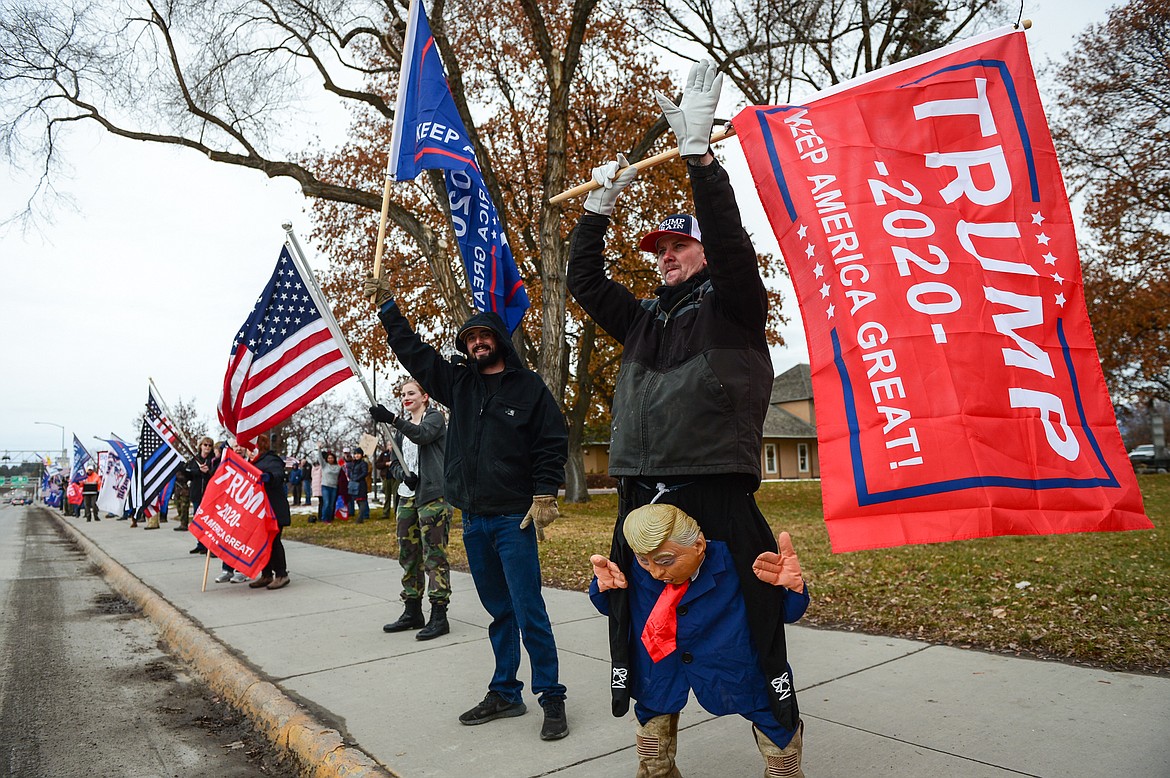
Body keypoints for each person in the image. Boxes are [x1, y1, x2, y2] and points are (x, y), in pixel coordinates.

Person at [566, 60, 801, 733]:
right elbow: (585, 281)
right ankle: (655, 745)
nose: (666, 256)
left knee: (755, 619)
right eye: (659, 249)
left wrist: (700, 160)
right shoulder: (642, 319)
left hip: (716, 488)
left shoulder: (733, 304)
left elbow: (731, 246)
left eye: (678, 246)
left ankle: (779, 740)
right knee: (636, 619)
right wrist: (595, 212)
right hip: (641, 489)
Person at [363, 274, 570, 742]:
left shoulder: (529, 388)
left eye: (484, 336)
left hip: (513, 519)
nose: (477, 343)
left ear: (499, 340)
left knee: (528, 608)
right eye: (470, 338)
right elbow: (415, 354)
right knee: (499, 611)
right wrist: (389, 311)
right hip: (473, 520)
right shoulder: (458, 383)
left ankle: (552, 697)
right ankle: (505, 692)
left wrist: (544, 491)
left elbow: (552, 442)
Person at [589, 504, 809, 777]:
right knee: (652, 748)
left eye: (666, 560)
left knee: (779, 736)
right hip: (660, 668)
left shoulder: (737, 563)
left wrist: (793, 588)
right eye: (645, 561)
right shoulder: (637, 568)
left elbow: (781, 613)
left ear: (699, 545)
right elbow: (619, 611)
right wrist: (603, 589)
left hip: (735, 664)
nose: (655, 572)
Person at [371, 379, 453, 640]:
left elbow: (423, 435)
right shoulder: (399, 430)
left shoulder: (435, 418)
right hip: (407, 498)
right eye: (403, 394)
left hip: (432, 496)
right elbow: (395, 462)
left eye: (411, 393)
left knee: (434, 556)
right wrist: (402, 475)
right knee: (408, 555)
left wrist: (393, 418)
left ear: (424, 396)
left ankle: (439, 615)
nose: (406, 397)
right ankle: (412, 610)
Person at [247, 433, 292, 590]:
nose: (249, 450)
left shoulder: (270, 459)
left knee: (274, 541)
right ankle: (266, 575)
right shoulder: (252, 462)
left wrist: (269, 477)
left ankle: (281, 574)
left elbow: (278, 475)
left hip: (274, 510)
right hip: (259, 512)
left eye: (251, 446)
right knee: (261, 543)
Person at [185, 437, 217, 554]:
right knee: (198, 520)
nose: (207, 447)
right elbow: (187, 473)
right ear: (201, 446)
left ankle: (209, 545)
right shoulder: (195, 459)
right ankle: (200, 543)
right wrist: (198, 471)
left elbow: (215, 474)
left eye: (209, 445)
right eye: (205, 445)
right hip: (197, 494)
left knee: (208, 520)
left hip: (209, 495)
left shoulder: (213, 459)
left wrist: (208, 471)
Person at [310, 448, 340, 523]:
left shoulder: (337, 467)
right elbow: (320, 457)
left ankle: (330, 518)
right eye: (329, 458)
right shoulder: (324, 466)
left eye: (332, 458)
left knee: (331, 504)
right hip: (325, 486)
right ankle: (324, 518)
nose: (330, 459)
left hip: (334, 487)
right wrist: (319, 448)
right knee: (326, 503)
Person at [344, 445, 370, 523]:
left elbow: (365, 473)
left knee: (362, 501)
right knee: (358, 500)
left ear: (361, 455)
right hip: (354, 484)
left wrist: (356, 478)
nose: (356, 455)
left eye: (358, 454)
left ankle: (360, 517)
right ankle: (360, 516)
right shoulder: (354, 463)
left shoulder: (363, 463)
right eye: (355, 454)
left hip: (361, 484)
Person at [374, 447, 398, 519]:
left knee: (396, 496)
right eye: (389, 444)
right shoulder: (384, 454)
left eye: (392, 444)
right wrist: (385, 464)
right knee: (387, 496)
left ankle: (396, 512)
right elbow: (377, 464)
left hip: (395, 478)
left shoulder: (398, 453)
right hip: (386, 477)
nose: (391, 446)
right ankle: (386, 513)